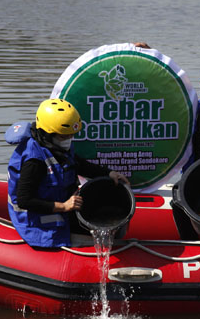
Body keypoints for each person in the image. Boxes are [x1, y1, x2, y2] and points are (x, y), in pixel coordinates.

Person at [7, 98, 129, 248]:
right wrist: (63, 206)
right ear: (47, 133)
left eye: (72, 134)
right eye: (64, 136)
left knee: (111, 219)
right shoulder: (34, 161)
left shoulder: (56, 145)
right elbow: (25, 200)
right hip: (39, 222)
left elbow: (77, 164)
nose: (69, 139)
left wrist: (109, 173)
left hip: (63, 205)